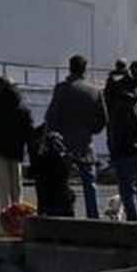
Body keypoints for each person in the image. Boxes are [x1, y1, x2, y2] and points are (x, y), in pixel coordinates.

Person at [44, 54, 107, 219]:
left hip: (64, 144)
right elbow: (103, 118)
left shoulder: (62, 89)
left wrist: (52, 136)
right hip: (86, 143)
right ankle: (94, 217)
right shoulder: (94, 90)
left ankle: (64, 215)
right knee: (90, 183)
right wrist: (91, 130)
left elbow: (51, 117)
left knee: (61, 182)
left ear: (70, 67)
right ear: (84, 69)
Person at [105, 67, 137, 222]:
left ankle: (133, 225)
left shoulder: (119, 107)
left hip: (125, 153)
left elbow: (116, 132)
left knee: (128, 193)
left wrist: (114, 153)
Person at [0, 75, 33, 212]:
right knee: (17, 185)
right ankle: (18, 214)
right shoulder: (22, 108)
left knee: (4, 187)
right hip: (16, 148)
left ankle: (5, 217)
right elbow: (29, 131)